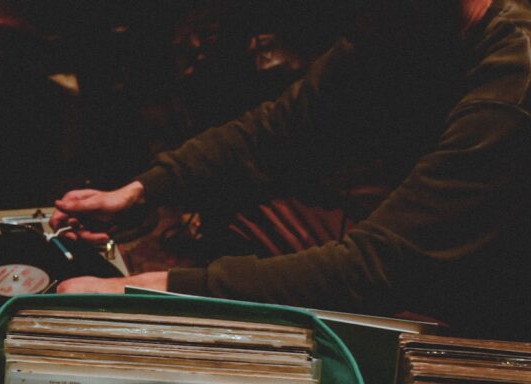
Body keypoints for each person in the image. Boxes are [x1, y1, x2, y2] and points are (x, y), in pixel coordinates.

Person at [49, 0, 531, 340]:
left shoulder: (511, 89)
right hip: (418, 256)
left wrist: (144, 287)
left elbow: (375, 267)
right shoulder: (397, 25)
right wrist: (139, 192)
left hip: (494, 318)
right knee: (243, 216)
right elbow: (278, 130)